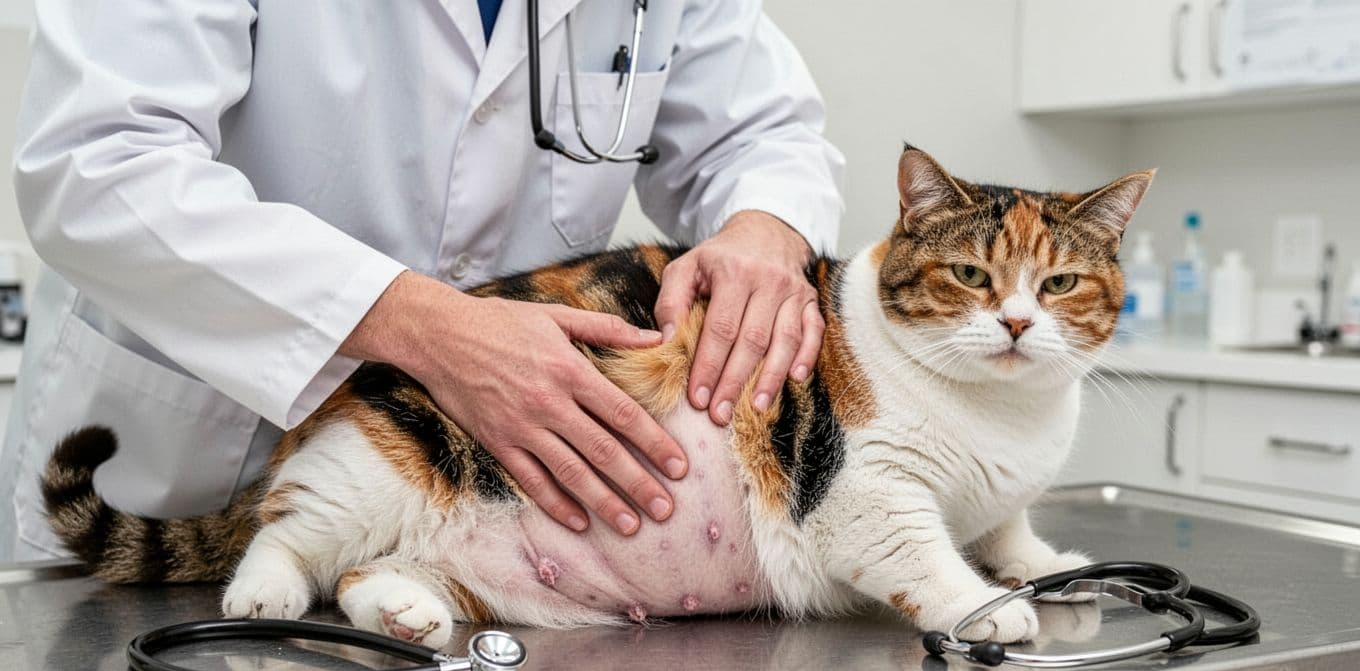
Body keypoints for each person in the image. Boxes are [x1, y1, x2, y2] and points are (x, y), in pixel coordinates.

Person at [0, 0, 844, 561]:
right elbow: (101, 166)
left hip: (491, 518)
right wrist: (425, 327)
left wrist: (766, 230)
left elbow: (758, 133)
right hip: (187, 468)